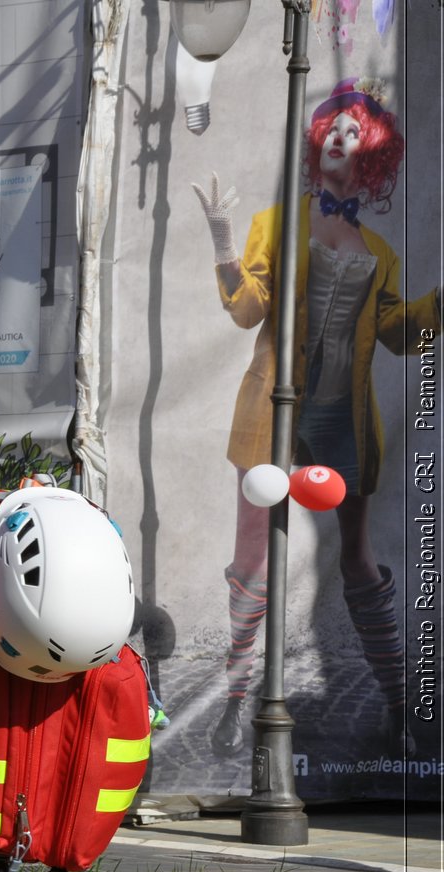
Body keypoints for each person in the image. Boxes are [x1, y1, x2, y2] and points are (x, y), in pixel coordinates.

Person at [192, 78, 440, 757]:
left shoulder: (381, 254)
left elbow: (397, 334)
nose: (338, 135)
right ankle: (234, 706)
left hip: (345, 421)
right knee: (252, 560)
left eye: (354, 131)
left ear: (372, 156)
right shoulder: (275, 224)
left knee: (359, 563)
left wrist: (440, 304)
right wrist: (222, 245)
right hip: (272, 414)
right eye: (332, 125)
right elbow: (246, 309)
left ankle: (397, 711)